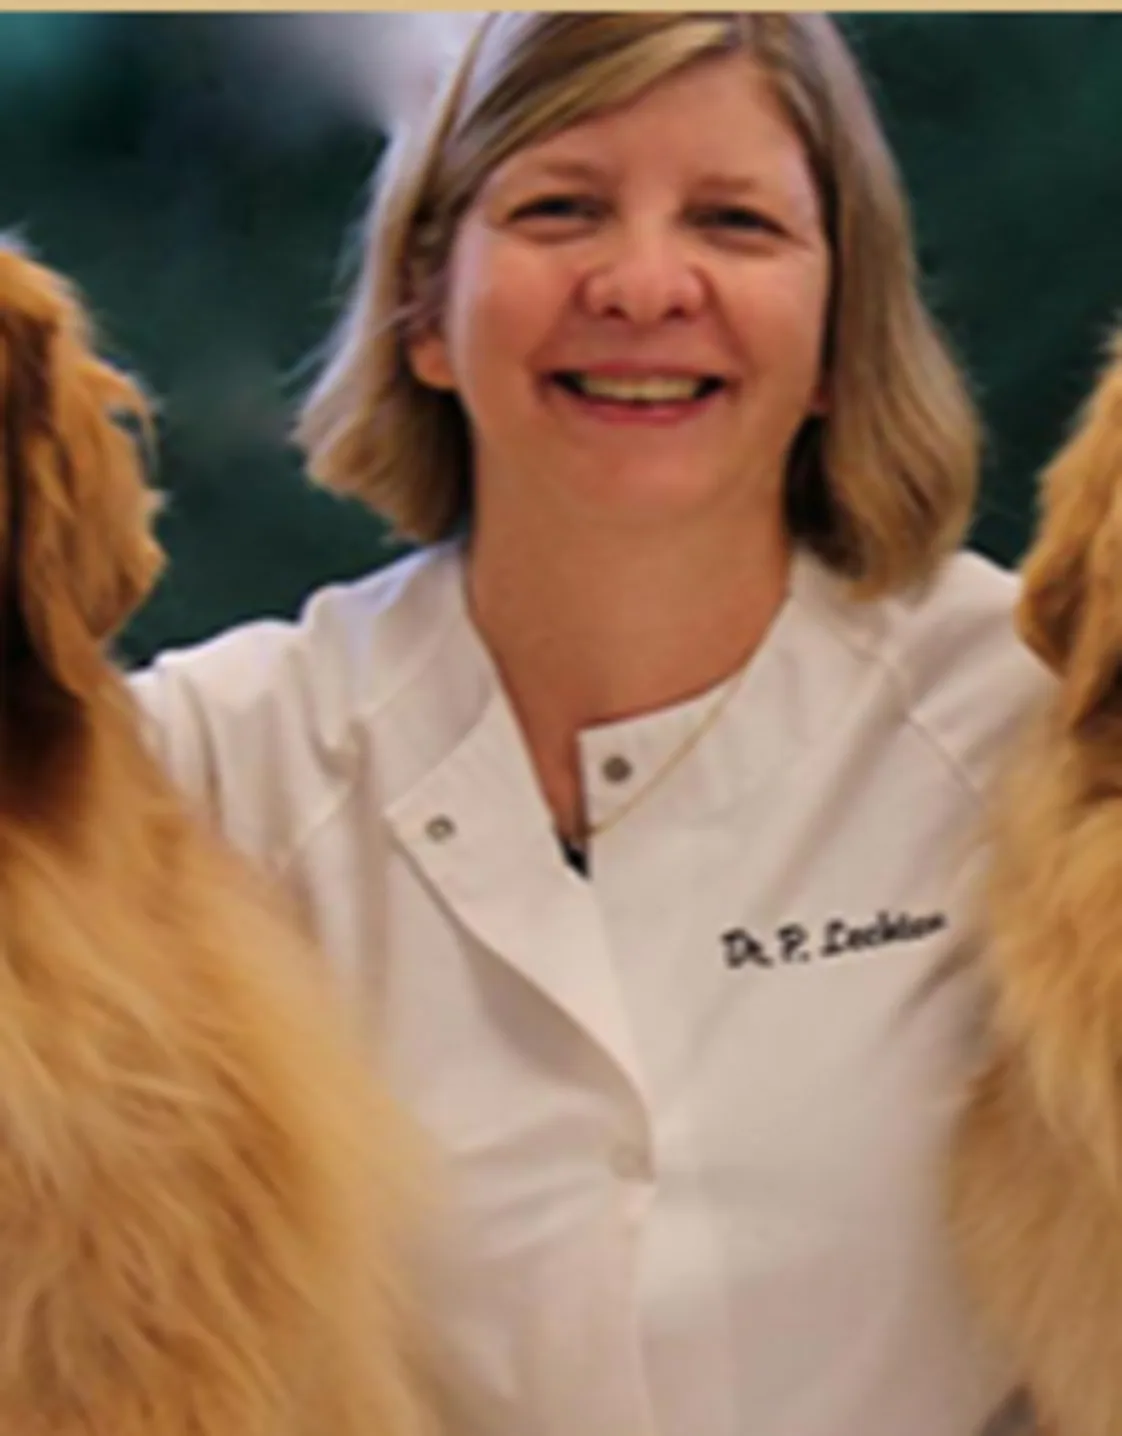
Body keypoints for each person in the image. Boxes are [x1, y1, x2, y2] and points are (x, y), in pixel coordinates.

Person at [132, 14, 1049, 1436]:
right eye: (560, 208)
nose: (640, 283)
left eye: (735, 222)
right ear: (426, 310)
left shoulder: (1031, 726)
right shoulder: (201, 768)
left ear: (833, 334)